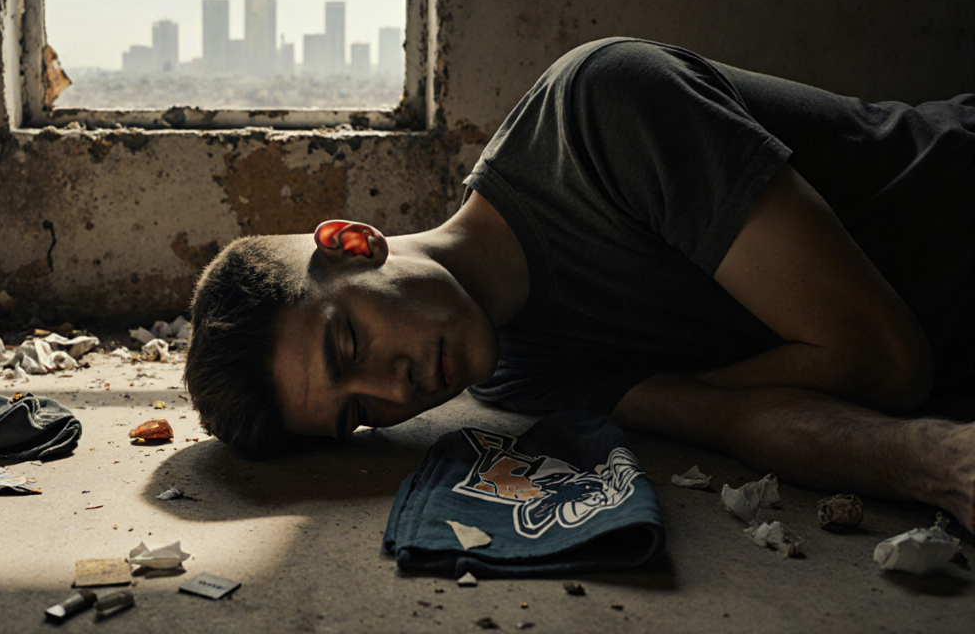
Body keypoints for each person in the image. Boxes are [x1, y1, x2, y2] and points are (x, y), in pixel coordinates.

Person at [185, 37, 974, 532]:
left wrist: (701, 393)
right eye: (359, 415)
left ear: (354, 245)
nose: (396, 393)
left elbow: (883, 361)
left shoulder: (598, 114)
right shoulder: (522, 382)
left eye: (348, 342)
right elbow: (733, 423)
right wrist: (928, 461)